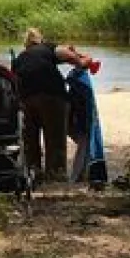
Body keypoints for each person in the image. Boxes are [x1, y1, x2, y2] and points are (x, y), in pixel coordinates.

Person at [13, 28, 90, 184]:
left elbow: (14, 80)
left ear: (26, 44)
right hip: (52, 96)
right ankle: (55, 174)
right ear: (40, 40)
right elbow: (66, 55)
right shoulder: (46, 48)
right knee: (55, 136)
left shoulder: (20, 58)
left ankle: (33, 171)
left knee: (30, 138)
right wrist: (81, 61)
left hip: (27, 99)